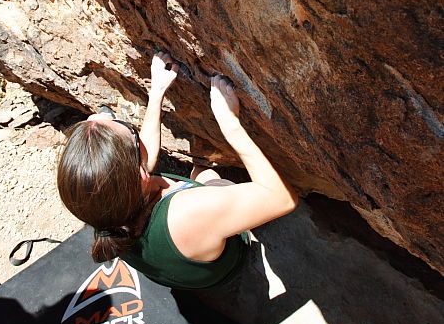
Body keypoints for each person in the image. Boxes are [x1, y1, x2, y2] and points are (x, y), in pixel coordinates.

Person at [57, 52, 298, 290]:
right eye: (128, 129)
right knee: (208, 176)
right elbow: (281, 199)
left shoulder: (101, 201)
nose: (99, 114)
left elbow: (143, 158)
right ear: (140, 175)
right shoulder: (188, 211)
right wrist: (230, 124)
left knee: (198, 171)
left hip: (181, 263)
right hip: (226, 266)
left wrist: (157, 92)